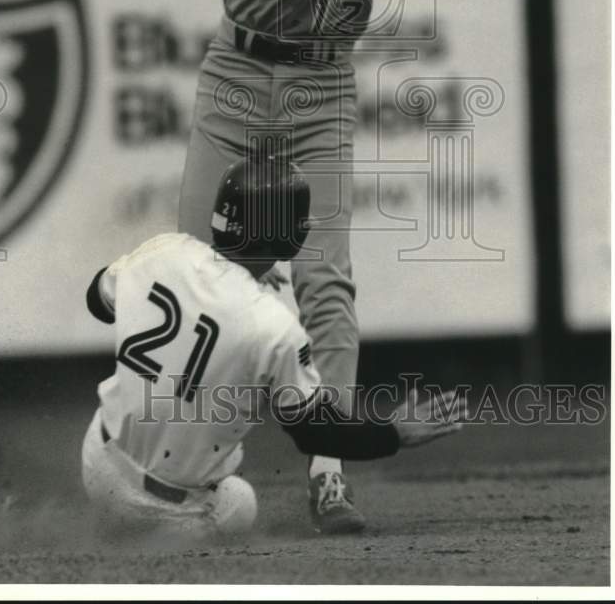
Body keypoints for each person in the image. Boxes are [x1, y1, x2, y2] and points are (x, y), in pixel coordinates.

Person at [177, 0, 469, 531]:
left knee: (326, 279)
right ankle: (162, 463)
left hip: (321, 85)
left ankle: (330, 474)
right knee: (191, 271)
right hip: (238, 77)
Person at [83, 154, 466, 537]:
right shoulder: (274, 325)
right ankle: (142, 524)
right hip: (168, 513)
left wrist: (217, 287)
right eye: (299, 218)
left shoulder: (164, 250)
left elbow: (98, 301)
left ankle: (112, 513)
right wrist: (393, 433)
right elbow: (316, 434)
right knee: (239, 500)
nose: (307, 223)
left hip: (97, 464)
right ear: (284, 236)